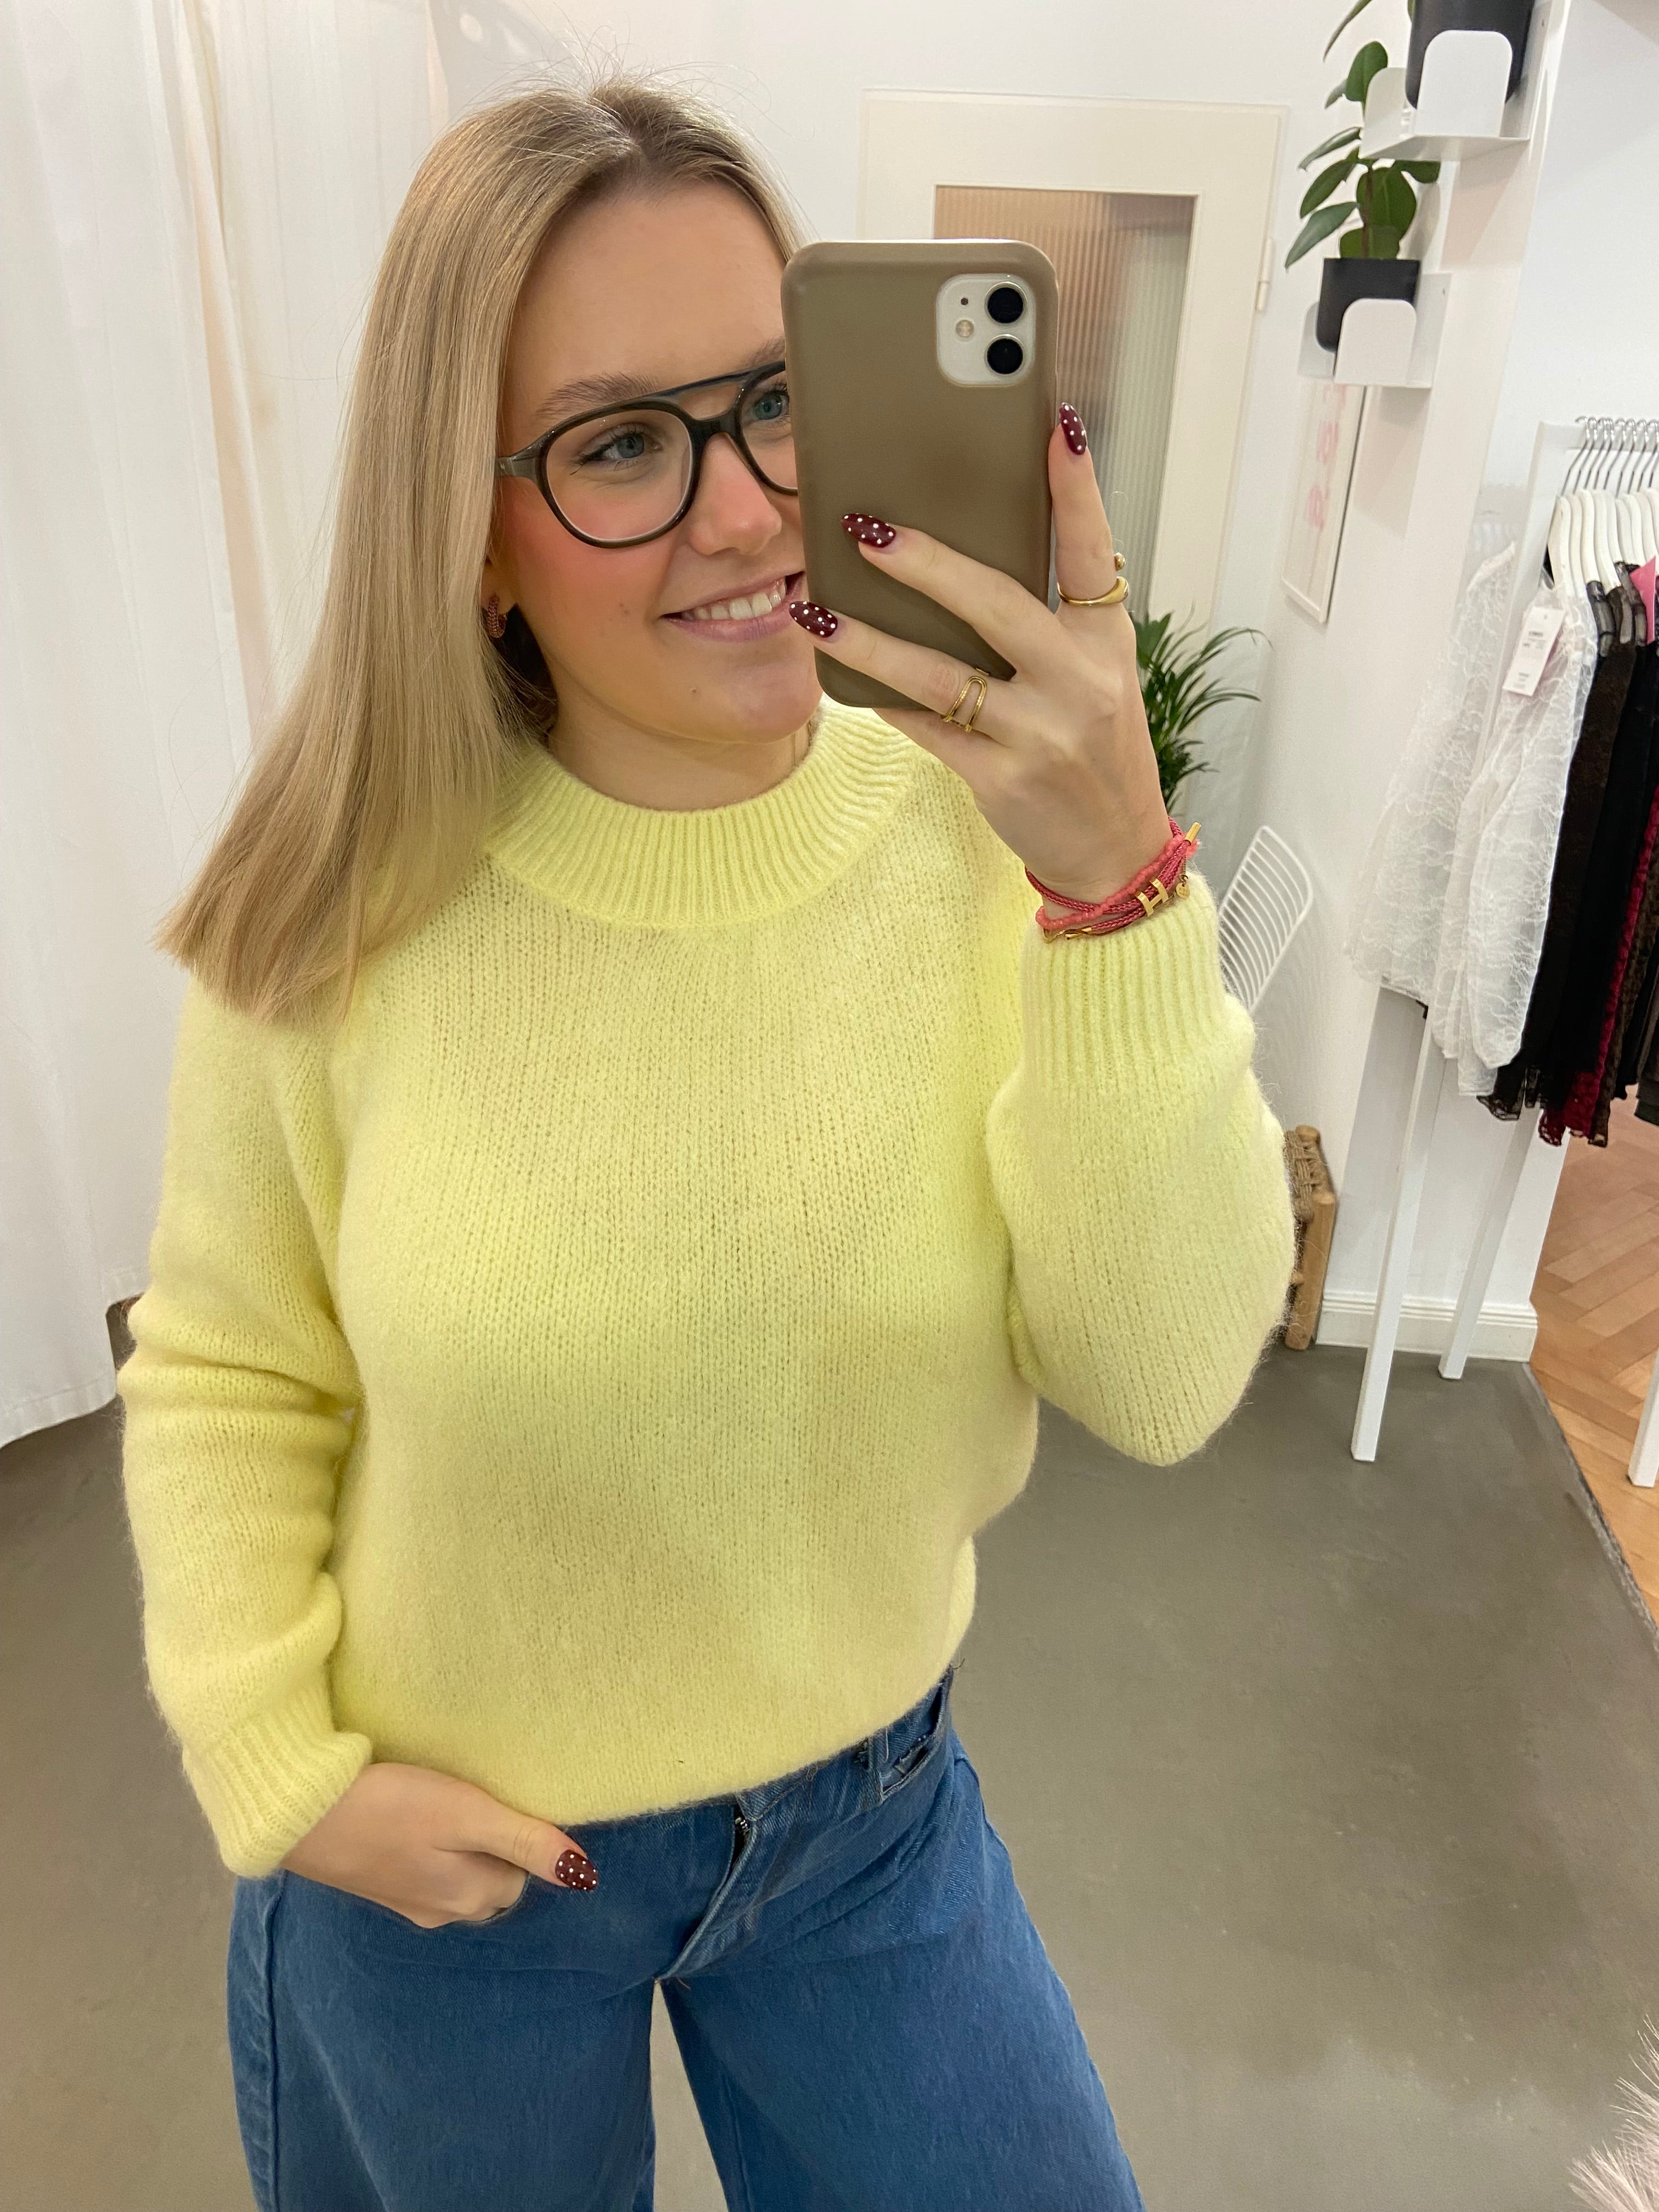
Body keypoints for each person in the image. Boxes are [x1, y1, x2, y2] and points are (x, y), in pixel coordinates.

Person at [116, 74, 1295, 2212]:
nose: (747, 511)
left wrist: (1116, 883)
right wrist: (280, 1770)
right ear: (472, 528)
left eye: (775, 400)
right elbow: (229, 1369)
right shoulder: (342, 906)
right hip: (456, 1877)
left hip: (872, 1829)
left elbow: (1162, 1374)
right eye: (619, 445)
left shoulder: (983, 837)